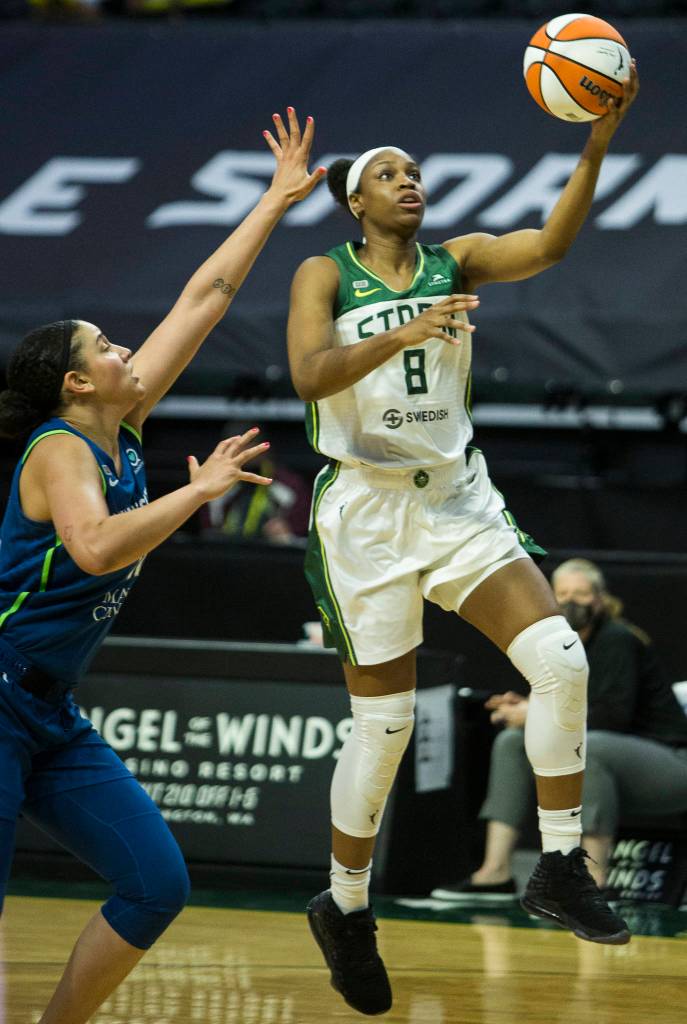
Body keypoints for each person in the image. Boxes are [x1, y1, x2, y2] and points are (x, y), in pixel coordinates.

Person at [287, 68, 639, 1015]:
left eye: (415, 171)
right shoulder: (325, 271)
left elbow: (552, 243)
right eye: (389, 174)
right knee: (386, 726)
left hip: (454, 502)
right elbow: (311, 375)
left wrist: (596, 139)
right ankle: (347, 907)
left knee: (560, 659)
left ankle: (560, 868)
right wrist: (407, 327)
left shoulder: (459, 260)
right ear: (356, 199)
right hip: (363, 514)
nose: (411, 181)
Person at [0, 108, 324, 1024]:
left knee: (155, 883)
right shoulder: (60, 447)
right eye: (105, 347)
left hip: (49, 711)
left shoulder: (125, 423)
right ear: (74, 383)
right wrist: (202, 490)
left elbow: (206, 296)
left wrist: (272, 201)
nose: (126, 351)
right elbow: (96, 546)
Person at [431, 558, 687, 900]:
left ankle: (593, 880)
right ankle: (495, 872)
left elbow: (613, 717)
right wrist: (524, 710)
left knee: (588, 746)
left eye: (581, 594)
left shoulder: (617, 639)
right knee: (511, 741)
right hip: (611, 759)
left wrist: (534, 713)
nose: (571, 601)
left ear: (599, 599)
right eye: (562, 593)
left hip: (668, 763)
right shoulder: (556, 643)